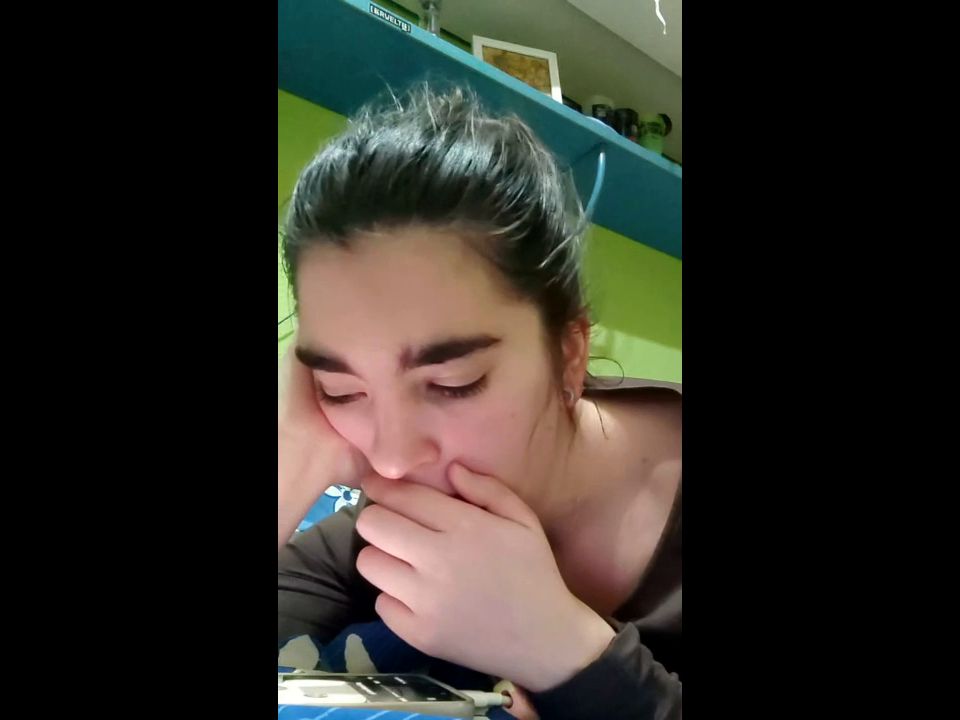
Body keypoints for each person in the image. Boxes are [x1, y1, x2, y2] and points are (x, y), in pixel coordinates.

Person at [277, 85, 681, 719]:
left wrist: (563, 651)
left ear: (570, 352)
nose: (390, 459)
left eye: (452, 383)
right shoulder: (391, 516)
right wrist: (289, 453)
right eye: (341, 390)